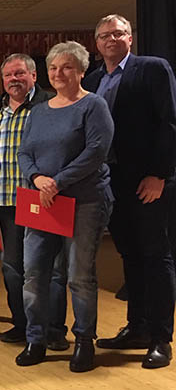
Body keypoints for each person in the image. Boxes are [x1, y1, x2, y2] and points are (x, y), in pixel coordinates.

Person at [15, 41, 114, 372]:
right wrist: (38, 178)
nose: (58, 73)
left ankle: (85, 341)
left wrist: (58, 181)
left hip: (84, 201)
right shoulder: (39, 110)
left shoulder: (93, 106)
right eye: (53, 67)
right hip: (41, 202)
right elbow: (24, 152)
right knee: (33, 273)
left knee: (79, 276)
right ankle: (36, 338)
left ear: (82, 71)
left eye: (67, 67)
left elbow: (96, 152)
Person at [85, 14, 176, 369]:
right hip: (111, 181)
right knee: (130, 256)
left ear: (130, 38)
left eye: (119, 33)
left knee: (156, 256)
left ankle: (160, 337)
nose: (112, 39)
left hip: (147, 181)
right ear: (96, 44)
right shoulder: (92, 80)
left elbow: (169, 123)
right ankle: (136, 327)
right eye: (105, 35)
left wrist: (159, 175)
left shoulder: (152, 69)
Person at [0, 54, 69, 349]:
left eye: (20, 73)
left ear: (34, 75)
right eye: (8, 76)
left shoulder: (49, 104)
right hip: (7, 202)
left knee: (52, 269)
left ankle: (55, 329)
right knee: (13, 268)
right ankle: (23, 324)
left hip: (43, 200)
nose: (14, 79)